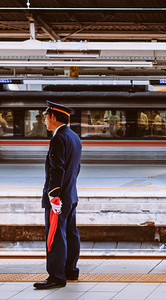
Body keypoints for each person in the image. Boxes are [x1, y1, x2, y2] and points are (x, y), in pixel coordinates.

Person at [34, 101, 82, 290]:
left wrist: (53, 196)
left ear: (53, 117)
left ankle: (56, 276)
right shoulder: (74, 137)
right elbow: (75, 168)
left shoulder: (58, 138)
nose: (45, 120)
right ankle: (70, 270)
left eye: (46, 116)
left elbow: (57, 169)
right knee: (70, 233)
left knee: (55, 235)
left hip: (58, 198)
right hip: (70, 195)